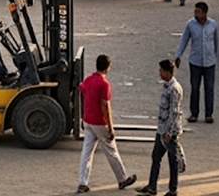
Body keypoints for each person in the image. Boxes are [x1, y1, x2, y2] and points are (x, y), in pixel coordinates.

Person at [78, 54, 137, 193]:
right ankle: (122, 179)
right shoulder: (104, 84)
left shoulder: (88, 79)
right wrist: (111, 127)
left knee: (86, 153)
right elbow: (105, 106)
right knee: (112, 151)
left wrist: (82, 116)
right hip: (99, 122)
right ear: (107, 68)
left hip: (88, 120)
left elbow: (81, 92)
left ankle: (82, 182)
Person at [138, 59, 183, 196]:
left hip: (170, 131)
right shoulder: (167, 86)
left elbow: (174, 112)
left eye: (162, 71)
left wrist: (168, 131)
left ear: (168, 72)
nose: (160, 73)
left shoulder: (174, 89)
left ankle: (172, 189)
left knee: (171, 160)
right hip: (163, 129)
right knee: (156, 157)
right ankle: (152, 186)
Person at [174, 2, 219, 125]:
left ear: (205, 13)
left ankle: (208, 114)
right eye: (195, 12)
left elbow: (217, 43)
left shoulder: (213, 25)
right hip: (195, 61)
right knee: (195, 87)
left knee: (209, 88)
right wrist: (178, 55)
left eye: (198, 12)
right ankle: (194, 113)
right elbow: (184, 40)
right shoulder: (190, 25)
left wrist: (218, 59)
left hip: (209, 62)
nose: (196, 14)